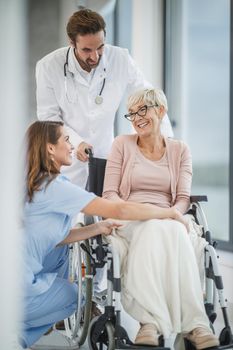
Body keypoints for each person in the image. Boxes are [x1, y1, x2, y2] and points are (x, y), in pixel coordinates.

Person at [21, 120, 184, 349]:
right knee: (76, 297)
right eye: (66, 140)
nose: (71, 146)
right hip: (18, 290)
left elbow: (56, 238)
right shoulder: (54, 187)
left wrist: (97, 228)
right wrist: (169, 212)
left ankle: (24, 324)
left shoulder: (31, 182)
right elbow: (120, 209)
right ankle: (19, 335)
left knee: (62, 253)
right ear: (50, 148)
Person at [102, 88, 220, 349]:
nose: (137, 117)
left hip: (169, 218)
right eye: (132, 113)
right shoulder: (122, 144)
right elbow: (110, 194)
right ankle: (151, 321)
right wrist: (158, 214)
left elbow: (182, 198)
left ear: (161, 110)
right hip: (131, 217)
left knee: (175, 231)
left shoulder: (180, 150)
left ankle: (194, 324)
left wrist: (171, 215)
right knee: (157, 228)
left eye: (143, 109)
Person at [36, 8, 173, 189]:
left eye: (100, 47)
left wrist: (165, 141)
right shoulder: (48, 67)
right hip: (65, 159)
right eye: (87, 50)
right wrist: (76, 143)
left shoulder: (120, 59)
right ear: (72, 43)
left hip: (104, 157)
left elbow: (149, 98)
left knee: (104, 212)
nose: (95, 56)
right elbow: (49, 120)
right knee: (68, 211)